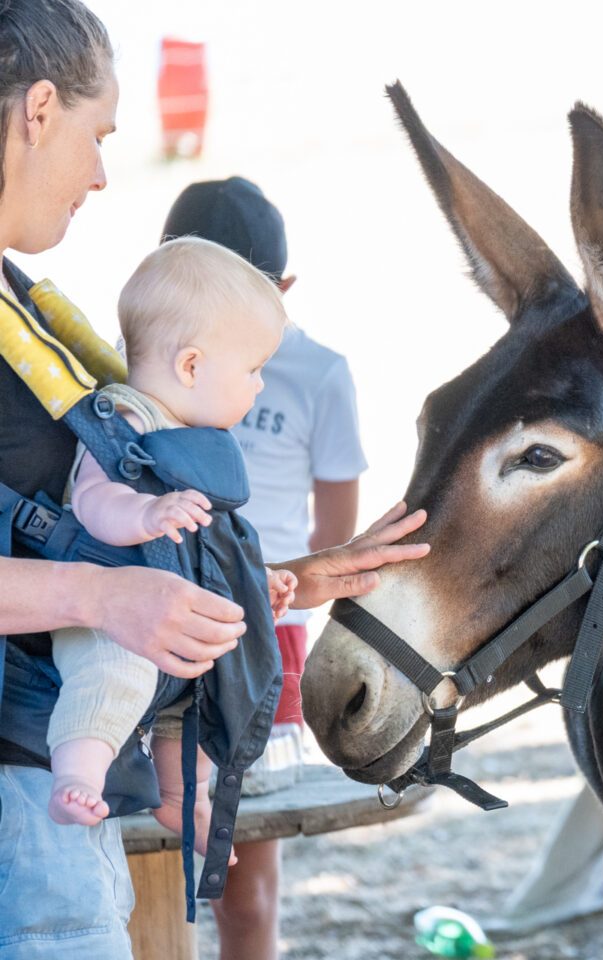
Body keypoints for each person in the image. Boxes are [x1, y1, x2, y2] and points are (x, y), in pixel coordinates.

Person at [0, 4, 427, 955]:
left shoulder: (21, 305)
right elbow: (86, 561)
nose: (106, 173)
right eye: (97, 134)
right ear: (36, 112)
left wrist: (287, 579)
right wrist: (101, 597)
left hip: (47, 789)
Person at [159, 175, 369, 960]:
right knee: (152, 848)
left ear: (283, 291)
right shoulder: (139, 361)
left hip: (267, 627)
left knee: (241, 880)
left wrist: (295, 601)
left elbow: (338, 522)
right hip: (152, 618)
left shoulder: (317, 372)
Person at [45, 236, 292, 848]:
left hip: (171, 618)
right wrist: (146, 512)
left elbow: (214, 548)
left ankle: (185, 798)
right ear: (190, 366)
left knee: (210, 685)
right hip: (110, 621)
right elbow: (92, 501)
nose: (260, 386)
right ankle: (76, 777)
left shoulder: (195, 437)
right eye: (253, 369)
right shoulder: (127, 420)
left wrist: (255, 589)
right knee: (113, 677)